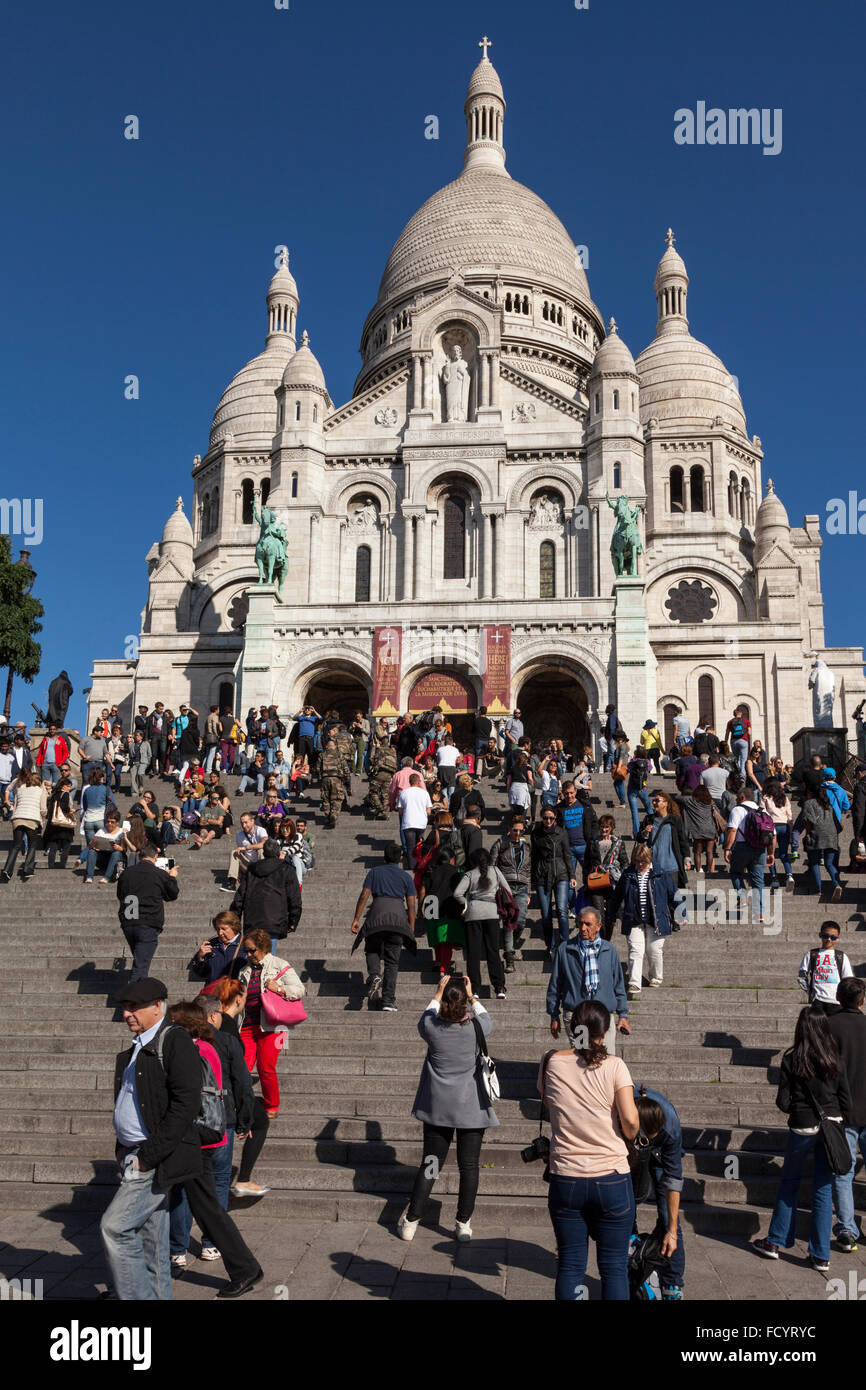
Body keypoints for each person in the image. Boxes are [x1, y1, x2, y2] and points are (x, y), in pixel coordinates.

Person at [101, 978, 203, 1300]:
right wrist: (122, 1147)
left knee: (115, 1229)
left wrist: (147, 1157)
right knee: (152, 1242)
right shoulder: (136, 1046)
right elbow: (131, 1100)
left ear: (158, 1005)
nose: (126, 1014)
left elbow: (186, 1104)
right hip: (135, 1152)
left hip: (153, 1156)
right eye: (124, 1008)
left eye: (134, 1007)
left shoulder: (174, 1041)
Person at [541, 999, 639, 1300]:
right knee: (613, 1267)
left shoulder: (551, 1062)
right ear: (605, 1031)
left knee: (570, 1264)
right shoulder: (615, 1066)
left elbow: (549, 1104)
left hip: (566, 1176)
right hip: (611, 1176)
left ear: (573, 1027)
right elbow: (631, 1122)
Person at [162, 1001, 263, 1294]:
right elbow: (241, 1084)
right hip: (216, 1130)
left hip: (191, 1138)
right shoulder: (218, 1045)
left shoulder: (191, 1051)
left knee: (190, 1198)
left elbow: (183, 1098)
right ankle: (224, 1256)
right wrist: (245, 1119)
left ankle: (177, 1251)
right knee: (209, 1202)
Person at [398, 974, 498, 1242]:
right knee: (469, 1166)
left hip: (437, 1107)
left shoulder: (431, 1028)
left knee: (431, 1163)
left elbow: (427, 1014)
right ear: (465, 1003)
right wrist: (472, 993)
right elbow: (486, 1017)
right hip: (472, 1107)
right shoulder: (477, 1028)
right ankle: (463, 1223)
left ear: (443, 1003)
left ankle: (411, 1220)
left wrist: (439, 990)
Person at [754, 1006, 851, 1272]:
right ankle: (820, 1254)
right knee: (822, 1189)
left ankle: (775, 1242)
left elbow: (783, 1101)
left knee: (789, 1183)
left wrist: (798, 1107)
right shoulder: (835, 1059)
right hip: (831, 1126)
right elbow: (846, 1100)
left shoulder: (792, 1059)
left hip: (802, 1127)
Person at [238, 927, 306, 1118]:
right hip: (247, 1024)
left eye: (252, 950)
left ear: (263, 948)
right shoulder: (244, 970)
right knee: (242, 1067)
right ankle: (240, 1105)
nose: (249, 954)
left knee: (266, 1066)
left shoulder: (279, 964)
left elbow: (300, 990)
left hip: (275, 1026)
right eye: (246, 951)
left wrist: (279, 988)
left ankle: (271, 1105)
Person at [547, 908, 631, 1054]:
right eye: (580, 924)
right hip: (577, 1015)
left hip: (603, 1016)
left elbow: (618, 985)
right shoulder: (565, 949)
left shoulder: (609, 950)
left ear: (598, 926)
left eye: (588, 924)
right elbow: (555, 984)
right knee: (582, 1058)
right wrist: (554, 1015)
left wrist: (622, 1014)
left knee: (607, 1059)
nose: (583, 928)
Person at [630, 1085, 686, 1299]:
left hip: (661, 1155)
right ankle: (631, 1269)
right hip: (627, 1148)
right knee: (625, 1210)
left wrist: (671, 1229)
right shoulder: (622, 1111)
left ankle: (672, 1285)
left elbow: (673, 1179)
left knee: (668, 1216)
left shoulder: (670, 1126)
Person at [350, 843, 418, 1012]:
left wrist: (356, 918)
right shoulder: (406, 877)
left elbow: (364, 894)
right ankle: (388, 1001)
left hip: (376, 917)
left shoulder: (374, 872)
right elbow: (411, 905)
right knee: (392, 962)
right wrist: (411, 927)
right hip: (398, 920)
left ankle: (374, 975)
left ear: (384, 856)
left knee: (372, 950)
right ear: (401, 857)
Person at [827, 977, 866, 1252]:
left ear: (838, 998)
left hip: (844, 1110)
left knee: (844, 1171)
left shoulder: (829, 1026)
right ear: (862, 1000)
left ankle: (846, 1229)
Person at [608, 844, 675, 1000]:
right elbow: (617, 897)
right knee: (635, 951)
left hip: (656, 919)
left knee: (654, 950)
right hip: (633, 919)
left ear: (649, 859)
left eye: (643, 861)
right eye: (637, 861)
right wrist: (611, 915)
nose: (639, 864)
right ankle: (634, 983)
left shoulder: (660, 873)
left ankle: (656, 977)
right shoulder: (628, 874)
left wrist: (682, 912)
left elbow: (673, 894)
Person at [115, 841, 180, 981]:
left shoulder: (126, 873)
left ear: (139, 856)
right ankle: (134, 1000)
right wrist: (172, 877)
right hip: (148, 922)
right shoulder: (159, 873)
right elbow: (172, 894)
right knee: (141, 967)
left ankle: (137, 996)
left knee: (140, 961)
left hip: (128, 921)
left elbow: (120, 895)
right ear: (156, 856)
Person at [454, 848, 511, 1001]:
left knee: (473, 954)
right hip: (492, 913)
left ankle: (475, 989)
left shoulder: (470, 874)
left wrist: (467, 903)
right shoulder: (496, 871)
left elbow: (457, 893)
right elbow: (508, 890)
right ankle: (499, 987)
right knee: (493, 951)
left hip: (473, 914)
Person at [231, 837, 302, 955]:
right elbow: (295, 899)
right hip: (274, 922)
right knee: (267, 962)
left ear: (263, 853)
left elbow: (239, 898)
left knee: (252, 960)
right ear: (278, 852)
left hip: (252, 922)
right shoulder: (286, 869)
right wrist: (292, 922)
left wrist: (235, 920)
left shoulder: (251, 870)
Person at [531, 806, 576, 952]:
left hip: (560, 872)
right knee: (545, 914)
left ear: (555, 818)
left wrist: (572, 875)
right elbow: (534, 856)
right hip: (542, 873)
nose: (548, 821)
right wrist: (532, 879)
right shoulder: (536, 834)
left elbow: (567, 854)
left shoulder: (561, 832)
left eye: (551, 818)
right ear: (541, 818)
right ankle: (549, 945)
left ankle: (565, 944)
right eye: (545, 818)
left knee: (562, 910)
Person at [491, 813, 532, 970]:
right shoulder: (500, 844)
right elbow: (492, 866)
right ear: (509, 829)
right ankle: (509, 958)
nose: (517, 833)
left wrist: (528, 891)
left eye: (520, 831)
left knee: (520, 921)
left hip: (521, 887)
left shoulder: (527, 847)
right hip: (505, 886)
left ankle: (510, 945)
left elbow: (529, 870)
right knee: (509, 921)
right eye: (515, 830)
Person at [419, 845, 465, 979]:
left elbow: (422, 890)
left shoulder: (430, 870)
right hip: (449, 905)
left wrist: (420, 908)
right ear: (452, 859)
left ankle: (438, 961)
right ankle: (444, 967)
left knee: (436, 937)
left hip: (431, 904)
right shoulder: (458, 871)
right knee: (446, 939)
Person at [584, 814, 630, 939]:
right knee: (598, 913)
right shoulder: (593, 842)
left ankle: (606, 940)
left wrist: (617, 873)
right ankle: (601, 938)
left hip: (612, 883)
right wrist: (586, 878)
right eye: (602, 827)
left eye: (607, 827)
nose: (604, 830)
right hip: (596, 882)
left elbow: (625, 862)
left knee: (611, 915)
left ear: (612, 828)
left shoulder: (618, 843)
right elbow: (587, 862)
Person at [0, 766, 48, 883]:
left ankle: (6, 870)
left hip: (18, 819)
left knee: (16, 846)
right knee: (32, 845)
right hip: (32, 819)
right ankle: (27, 869)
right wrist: (42, 818)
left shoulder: (20, 788)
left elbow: (15, 805)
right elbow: (43, 809)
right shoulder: (41, 790)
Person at [798, 921, 853, 1014]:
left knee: (835, 1028)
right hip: (817, 1001)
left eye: (833, 937)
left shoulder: (841, 956)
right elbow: (801, 976)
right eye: (825, 936)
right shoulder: (812, 954)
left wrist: (843, 997)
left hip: (837, 1002)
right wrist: (809, 992)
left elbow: (848, 980)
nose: (829, 939)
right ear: (820, 935)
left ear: (837, 938)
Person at [802, 783, 843, 902]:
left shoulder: (809, 803)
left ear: (812, 793)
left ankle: (818, 889)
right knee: (829, 864)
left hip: (816, 835)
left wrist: (807, 836)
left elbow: (808, 822)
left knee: (814, 863)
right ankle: (837, 885)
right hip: (831, 835)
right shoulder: (828, 805)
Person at [190, 909, 249, 985]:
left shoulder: (246, 944)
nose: (220, 933)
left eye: (224, 929)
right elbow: (201, 974)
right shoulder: (210, 944)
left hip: (235, 993)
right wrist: (199, 958)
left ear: (234, 927)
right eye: (218, 929)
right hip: (213, 993)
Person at [647, 790, 688, 889]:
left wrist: (687, 857)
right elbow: (639, 839)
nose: (654, 803)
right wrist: (645, 833)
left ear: (665, 803)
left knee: (671, 898)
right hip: (653, 865)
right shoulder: (649, 819)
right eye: (653, 800)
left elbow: (682, 839)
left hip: (671, 866)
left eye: (657, 800)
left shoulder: (675, 820)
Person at [84, 807, 134, 885]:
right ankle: (89, 876)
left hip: (117, 859)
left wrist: (119, 848)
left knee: (116, 853)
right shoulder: (101, 831)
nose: (109, 824)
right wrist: (92, 845)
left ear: (117, 822)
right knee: (91, 851)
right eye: (108, 821)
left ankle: (106, 877)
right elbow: (90, 846)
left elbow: (124, 850)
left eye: (112, 822)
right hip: (104, 858)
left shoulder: (121, 832)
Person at [222, 810, 268, 893]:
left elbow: (264, 844)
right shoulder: (239, 835)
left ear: (252, 821)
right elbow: (241, 853)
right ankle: (232, 882)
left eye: (246, 822)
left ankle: (263, 879)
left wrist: (246, 847)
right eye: (242, 823)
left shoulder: (261, 831)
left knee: (261, 850)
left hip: (260, 864)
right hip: (248, 865)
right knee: (234, 853)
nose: (244, 825)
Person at [761, 777, 794, 891]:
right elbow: (789, 814)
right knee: (784, 853)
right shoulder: (784, 797)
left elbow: (762, 813)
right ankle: (789, 875)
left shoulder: (765, 798)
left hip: (771, 826)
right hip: (784, 825)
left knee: (771, 853)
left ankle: (774, 878)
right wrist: (790, 827)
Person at [677, 783, 718, 876]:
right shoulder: (710, 801)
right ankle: (709, 870)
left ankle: (699, 869)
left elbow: (677, 797)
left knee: (697, 851)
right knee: (709, 851)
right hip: (710, 828)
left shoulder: (690, 801)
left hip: (698, 829)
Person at [396, 772, 433, 868]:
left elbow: (400, 811)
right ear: (419, 782)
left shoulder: (404, 792)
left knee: (410, 845)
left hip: (408, 822)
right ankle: (420, 863)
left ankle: (412, 865)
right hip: (421, 823)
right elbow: (429, 811)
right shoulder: (425, 793)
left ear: (409, 782)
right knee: (419, 844)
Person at [44, 774, 76, 869]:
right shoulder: (65, 794)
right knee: (66, 845)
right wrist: (71, 811)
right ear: (63, 786)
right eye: (68, 786)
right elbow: (64, 807)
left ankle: (51, 865)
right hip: (63, 825)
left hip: (53, 824)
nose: (69, 789)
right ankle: (62, 865)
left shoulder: (54, 794)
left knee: (53, 845)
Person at [625, 754, 652, 838]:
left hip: (632, 789)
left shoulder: (633, 762)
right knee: (649, 809)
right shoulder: (647, 762)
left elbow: (627, 769)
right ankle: (654, 828)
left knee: (634, 813)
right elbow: (650, 770)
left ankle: (636, 834)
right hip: (643, 788)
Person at [724, 707, 751, 779]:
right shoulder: (746, 721)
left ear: (734, 714)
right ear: (741, 713)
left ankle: (737, 773)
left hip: (734, 741)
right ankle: (742, 775)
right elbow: (749, 733)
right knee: (743, 759)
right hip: (743, 740)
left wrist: (725, 742)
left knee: (736, 758)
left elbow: (727, 733)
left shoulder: (730, 722)